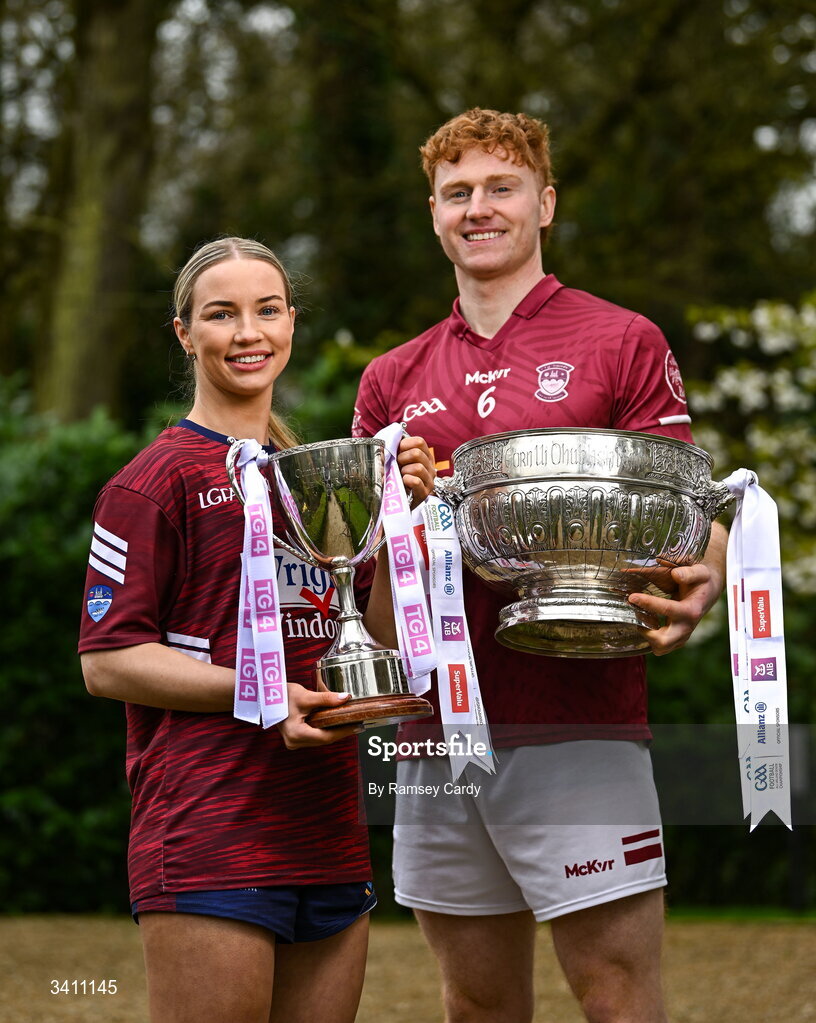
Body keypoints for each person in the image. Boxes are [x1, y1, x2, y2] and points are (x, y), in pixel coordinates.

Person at [352, 109, 728, 1023]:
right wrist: (391, 528)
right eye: (457, 193)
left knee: (615, 992)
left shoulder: (621, 340)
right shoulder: (390, 378)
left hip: (580, 720)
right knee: (476, 1000)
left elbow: (688, 505)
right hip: (434, 735)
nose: (479, 208)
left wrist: (708, 573)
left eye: (501, 186)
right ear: (433, 213)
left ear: (545, 203)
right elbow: (368, 590)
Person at [78, 236, 433, 1023]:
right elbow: (106, 661)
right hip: (209, 833)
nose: (249, 332)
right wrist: (266, 698)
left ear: (292, 324)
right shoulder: (151, 482)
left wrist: (408, 520)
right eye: (222, 313)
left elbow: (373, 635)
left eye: (267, 310)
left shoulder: (322, 476)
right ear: (184, 332)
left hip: (329, 832)